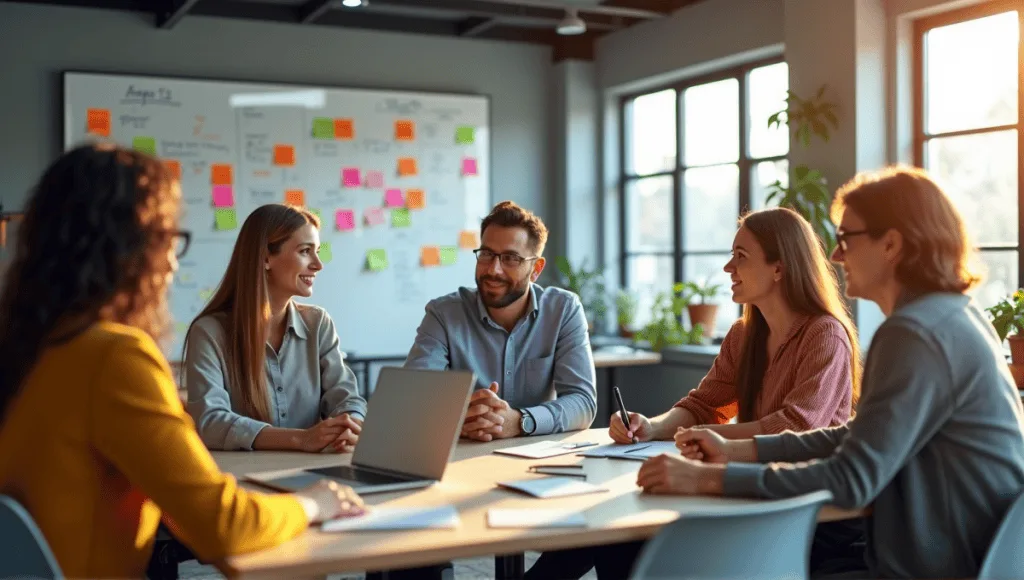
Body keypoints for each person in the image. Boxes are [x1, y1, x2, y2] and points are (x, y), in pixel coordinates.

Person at [641, 166, 1024, 579]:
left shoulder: (914, 333)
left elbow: (851, 477)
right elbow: (859, 436)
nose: (836, 256)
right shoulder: (956, 314)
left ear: (891, 244)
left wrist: (708, 480)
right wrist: (735, 451)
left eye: (846, 239)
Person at [0, 143, 364, 578]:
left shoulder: (32, 349)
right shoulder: (116, 358)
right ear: (133, 248)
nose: (172, 260)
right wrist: (315, 501)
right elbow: (224, 526)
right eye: (168, 238)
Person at [527, 206, 862, 580]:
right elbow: (705, 405)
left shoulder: (824, 334)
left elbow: (798, 427)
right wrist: (652, 428)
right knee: (610, 528)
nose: (727, 268)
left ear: (779, 268)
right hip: (747, 490)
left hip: (802, 512)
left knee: (622, 533)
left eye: (741, 257)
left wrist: (709, 439)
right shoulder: (743, 334)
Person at [404, 200, 597, 440]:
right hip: (464, 457)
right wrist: (465, 417)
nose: (493, 269)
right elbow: (412, 399)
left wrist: (521, 421)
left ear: (536, 269)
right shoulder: (444, 314)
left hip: (537, 461)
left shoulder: (563, 310)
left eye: (510, 258)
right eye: (486, 254)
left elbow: (583, 404)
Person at [184, 204, 366, 452]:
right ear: (266, 258)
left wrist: (351, 422)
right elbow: (210, 421)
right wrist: (300, 439)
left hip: (313, 472)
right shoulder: (209, 333)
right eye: (305, 251)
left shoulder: (318, 323)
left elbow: (345, 397)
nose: (318, 264)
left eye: (318, 252)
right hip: (243, 480)